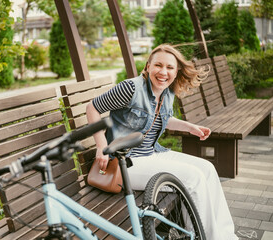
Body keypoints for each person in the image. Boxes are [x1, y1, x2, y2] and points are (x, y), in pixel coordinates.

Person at [86, 44, 238, 240]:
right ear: (148, 66)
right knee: (193, 178)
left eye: (169, 67)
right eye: (158, 65)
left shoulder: (167, 93)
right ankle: (206, 237)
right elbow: (92, 108)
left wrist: (190, 127)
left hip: (152, 153)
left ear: (176, 72)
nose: (163, 72)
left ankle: (225, 236)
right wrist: (101, 146)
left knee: (207, 168)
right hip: (125, 161)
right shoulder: (130, 88)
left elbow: (162, 119)